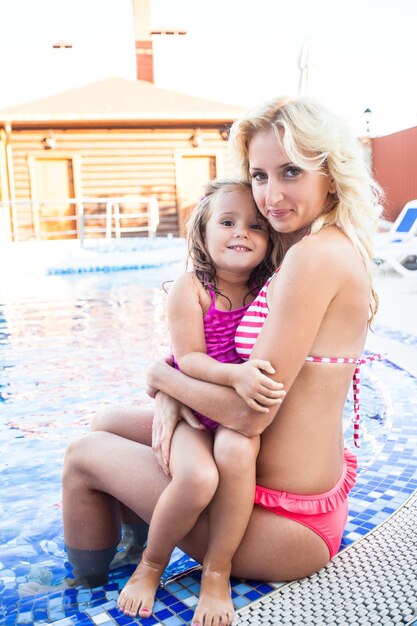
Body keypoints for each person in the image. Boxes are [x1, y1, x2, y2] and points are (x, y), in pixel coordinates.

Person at [62, 96, 382, 626]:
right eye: (259, 175)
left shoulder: (312, 258)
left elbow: (250, 414)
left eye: (291, 172)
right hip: (279, 491)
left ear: (331, 173)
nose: (271, 195)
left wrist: (163, 377)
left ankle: (83, 588)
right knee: (108, 422)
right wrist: (171, 396)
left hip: (279, 522)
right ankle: (130, 545)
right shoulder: (312, 247)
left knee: (83, 454)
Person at [115, 179, 285, 620]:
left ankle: (217, 571)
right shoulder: (191, 288)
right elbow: (188, 357)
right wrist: (236, 374)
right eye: (227, 222)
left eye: (256, 225)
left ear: (269, 241)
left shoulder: (270, 291)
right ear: (202, 235)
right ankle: (152, 563)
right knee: (196, 480)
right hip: (194, 409)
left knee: (238, 453)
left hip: (234, 418)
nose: (242, 233)